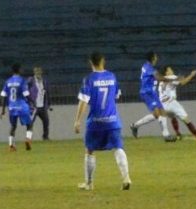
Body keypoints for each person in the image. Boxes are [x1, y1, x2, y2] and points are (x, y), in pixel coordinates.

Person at [74, 52, 131, 191]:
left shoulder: (89, 79)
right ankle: (126, 178)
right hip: (112, 120)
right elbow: (116, 95)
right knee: (118, 147)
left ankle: (89, 183)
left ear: (90, 62)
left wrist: (77, 121)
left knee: (90, 150)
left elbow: (83, 101)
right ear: (103, 61)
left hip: (95, 122)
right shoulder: (112, 76)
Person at [130, 52, 175, 142]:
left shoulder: (146, 66)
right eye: (155, 57)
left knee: (161, 113)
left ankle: (135, 125)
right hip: (147, 92)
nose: (156, 58)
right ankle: (166, 136)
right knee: (159, 114)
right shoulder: (149, 68)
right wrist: (172, 79)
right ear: (152, 58)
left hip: (152, 92)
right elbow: (159, 78)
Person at [159, 66, 196, 142]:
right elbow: (183, 82)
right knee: (186, 119)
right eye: (170, 70)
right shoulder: (171, 77)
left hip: (163, 105)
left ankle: (178, 134)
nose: (172, 71)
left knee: (173, 117)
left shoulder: (161, 81)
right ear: (167, 72)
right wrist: (192, 75)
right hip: (171, 103)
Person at [0, 63, 34, 151]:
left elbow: (3, 96)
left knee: (13, 126)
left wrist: (3, 110)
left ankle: (11, 145)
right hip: (22, 106)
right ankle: (27, 139)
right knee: (29, 124)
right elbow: (26, 94)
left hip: (12, 107)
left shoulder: (7, 81)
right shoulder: (22, 81)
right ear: (19, 70)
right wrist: (32, 102)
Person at [27, 66, 51, 141]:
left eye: (39, 71)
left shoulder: (44, 81)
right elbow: (25, 91)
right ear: (34, 72)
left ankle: (45, 137)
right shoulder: (30, 80)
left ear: (41, 72)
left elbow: (47, 93)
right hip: (33, 106)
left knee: (46, 121)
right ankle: (28, 138)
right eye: (36, 71)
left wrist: (48, 104)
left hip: (42, 106)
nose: (38, 73)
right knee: (30, 122)